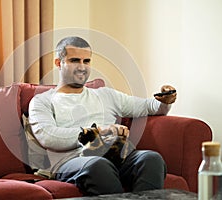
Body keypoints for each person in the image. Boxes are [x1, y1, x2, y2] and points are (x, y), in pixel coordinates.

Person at [28, 36, 177, 196]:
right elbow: (49, 137)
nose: (82, 67)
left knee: (151, 159)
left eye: (86, 61)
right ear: (59, 63)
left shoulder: (106, 95)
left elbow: (148, 107)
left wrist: (165, 100)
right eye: (75, 60)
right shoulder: (42, 101)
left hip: (117, 155)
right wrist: (98, 132)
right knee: (98, 165)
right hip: (71, 161)